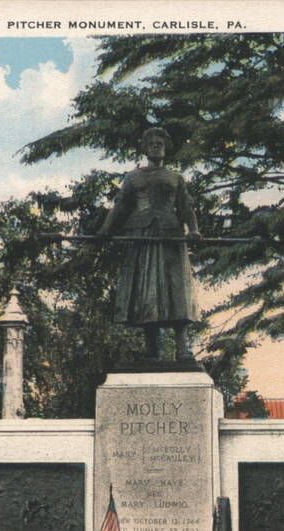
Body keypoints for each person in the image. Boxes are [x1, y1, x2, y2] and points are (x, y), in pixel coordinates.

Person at [97, 127, 201, 360]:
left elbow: (185, 207)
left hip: (171, 235)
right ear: (145, 148)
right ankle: (152, 349)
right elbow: (121, 206)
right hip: (142, 235)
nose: (156, 146)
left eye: (160, 143)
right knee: (147, 291)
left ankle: (182, 348)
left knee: (176, 289)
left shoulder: (176, 178)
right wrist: (105, 230)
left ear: (165, 149)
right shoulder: (133, 178)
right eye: (152, 143)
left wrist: (194, 229)